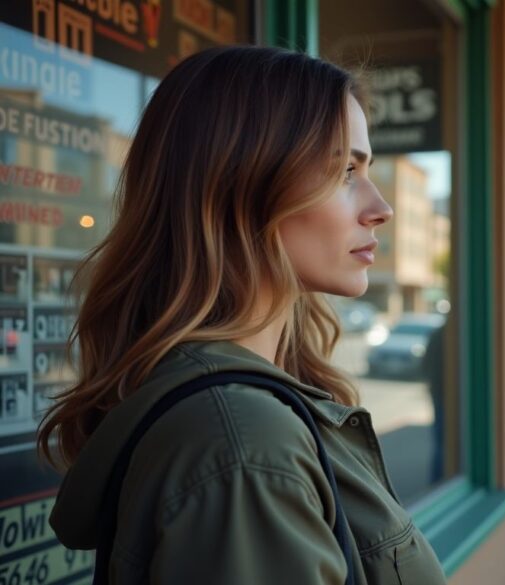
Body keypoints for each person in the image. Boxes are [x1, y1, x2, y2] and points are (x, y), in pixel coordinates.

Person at [37, 47, 446, 584]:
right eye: (345, 170)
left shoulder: (256, 413)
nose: (380, 207)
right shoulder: (244, 444)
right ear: (242, 184)